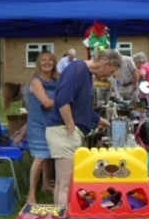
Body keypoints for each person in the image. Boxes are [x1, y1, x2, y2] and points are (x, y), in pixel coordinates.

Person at [46, 49, 122, 205]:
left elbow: (83, 109)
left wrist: (105, 122)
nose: (109, 76)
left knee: (62, 183)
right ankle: (64, 218)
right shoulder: (77, 69)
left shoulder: (85, 73)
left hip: (63, 131)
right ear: (106, 63)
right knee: (66, 185)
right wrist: (71, 127)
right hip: (63, 131)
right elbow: (62, 99)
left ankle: (60, 216)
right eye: (111, 71)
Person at [24, 51, 59, 203]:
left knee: (49, 156)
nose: (47, 62)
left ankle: (45, 185)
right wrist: (66, 103)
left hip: (52, 123)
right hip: (38, 124)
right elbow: (46, 103)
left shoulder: (57, 80)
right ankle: (31, 194)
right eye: (43, 60)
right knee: (40, 158)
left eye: (50, 59)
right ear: (38, 63)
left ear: (54, 63)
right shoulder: (36, 81)